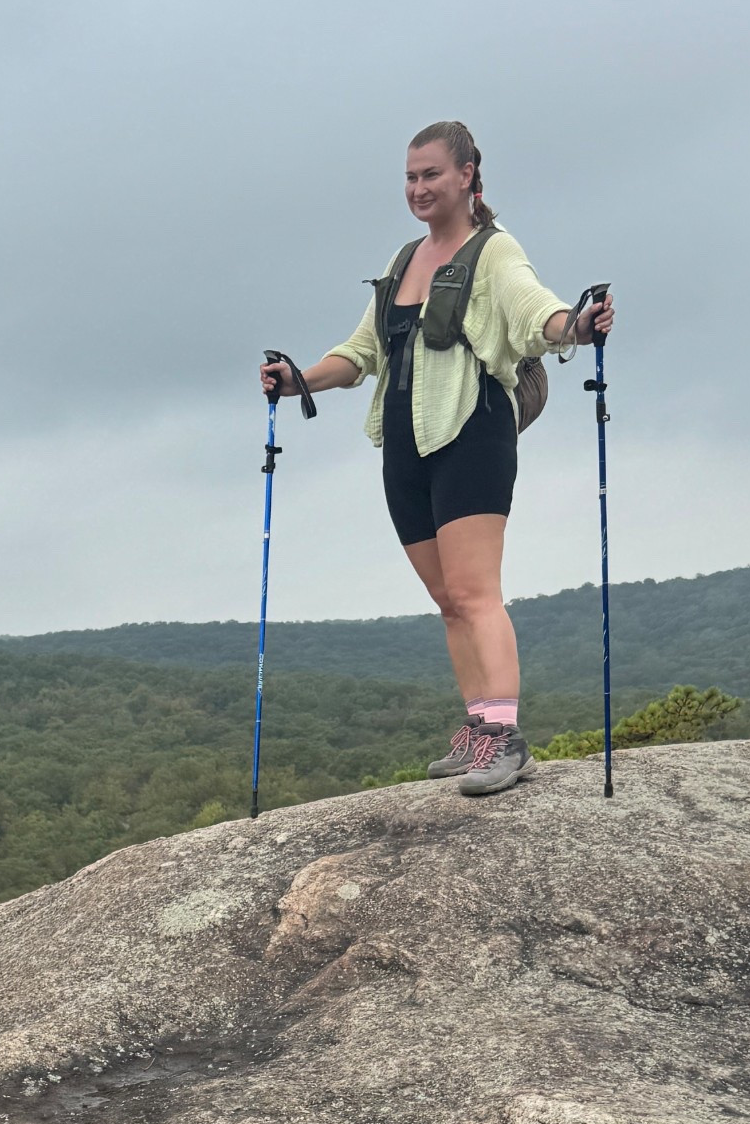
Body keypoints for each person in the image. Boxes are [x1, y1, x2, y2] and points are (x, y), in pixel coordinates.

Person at [261, 121, 614, 796]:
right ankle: (479, 727)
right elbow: (362, 351)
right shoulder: (404, 261)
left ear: (467, 176)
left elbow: (536, 314)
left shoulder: (494, 254)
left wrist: (576, 324)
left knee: (477, 592)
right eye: (410, 176)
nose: (419, 188)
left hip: (470, 435)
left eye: (431, 175)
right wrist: (299, 378)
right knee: (447, 600)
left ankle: (507, 739)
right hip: (404, 444)